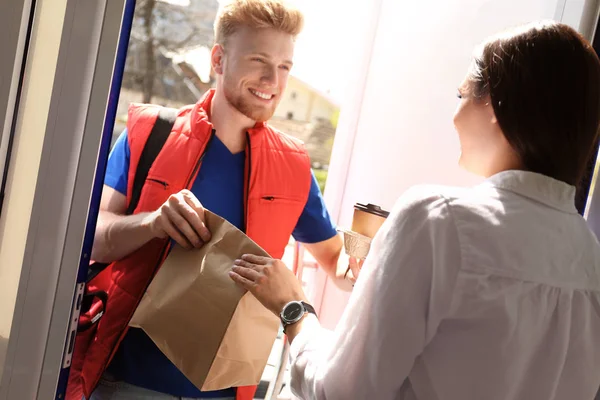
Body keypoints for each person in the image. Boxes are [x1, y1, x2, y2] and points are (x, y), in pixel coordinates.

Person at [230, 21, 600, 400]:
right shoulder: (589, 255)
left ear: (494, 105)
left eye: (461, 96)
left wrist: (294, 307)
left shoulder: (438, 218)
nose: (454, 119)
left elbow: (339, 392)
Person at [67, 1, 356, 399]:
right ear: (219, 59)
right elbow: (93, 237)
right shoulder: (150, 133)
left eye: (285, 66)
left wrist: (373, 250)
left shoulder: (294, 167)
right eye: (259, 60)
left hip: (228, 390)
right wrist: (152, 222)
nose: (273, 79)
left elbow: (339, 266)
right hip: (125, 382)